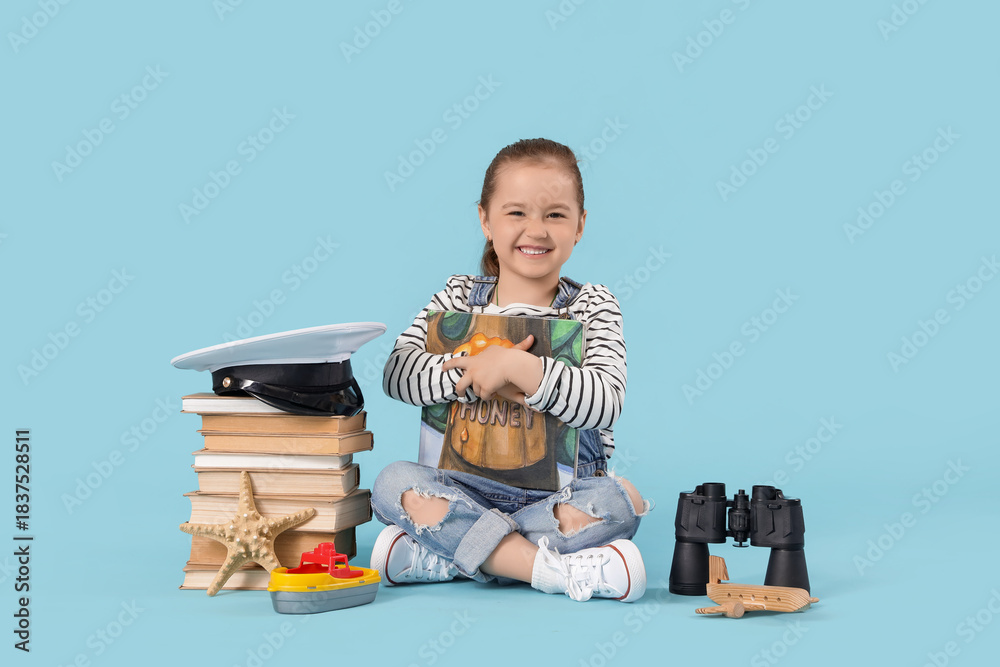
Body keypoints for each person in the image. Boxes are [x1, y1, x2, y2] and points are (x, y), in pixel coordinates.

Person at [370, 138, 650, 602]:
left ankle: (447, 553)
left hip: (558, 499)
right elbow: (398, 375)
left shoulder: (593, 305)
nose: (535, 230)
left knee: (622, 500)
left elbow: (605, 402)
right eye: (516, 212)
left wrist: (518, 366)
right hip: (460, 489)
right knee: (392, 483)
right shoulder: (456, 297)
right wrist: (478, 366)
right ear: (485, 219)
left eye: (555, 215)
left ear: (580, 225)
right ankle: (553, 572)